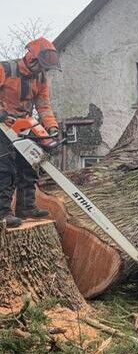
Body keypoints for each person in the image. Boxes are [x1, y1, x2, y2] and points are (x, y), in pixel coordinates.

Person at [0, 37, 61, 228]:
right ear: (32, 58)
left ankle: (26, 206)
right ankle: (2, 212)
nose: (42, 71)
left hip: (23, 123)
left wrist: (51, 127)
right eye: (41, 66)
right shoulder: (6, 69)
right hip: (2, 125)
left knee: (30, 163)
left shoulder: (40, 78)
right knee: (5, 168)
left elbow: (43, 104)